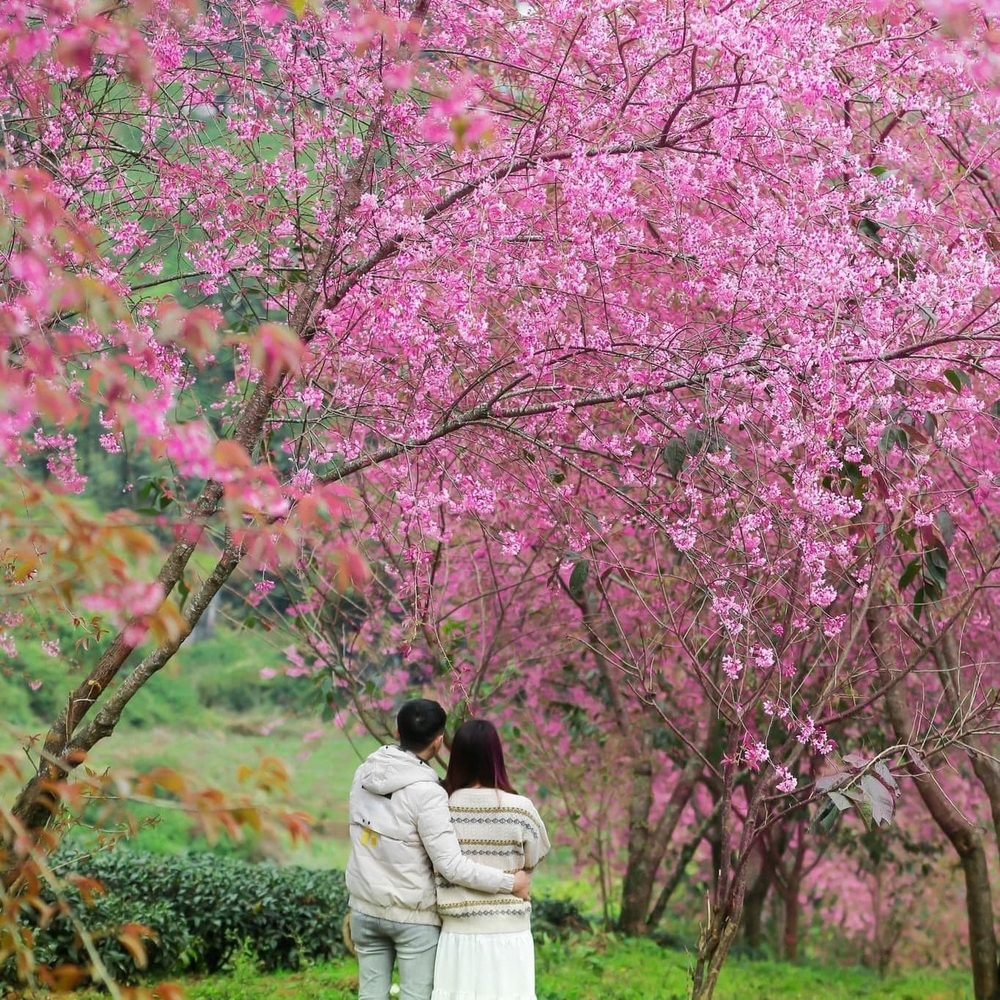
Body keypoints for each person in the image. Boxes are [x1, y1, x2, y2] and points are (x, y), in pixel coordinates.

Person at [346, 699, 531, 1000]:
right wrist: (511, 882)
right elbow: (451, 865)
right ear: (437, 742)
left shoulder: (363, 775)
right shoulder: (428, 793)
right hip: (412, 916)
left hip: (364, 909)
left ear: (397, 730)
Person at [431, 719, 550, 1000]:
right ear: (496, 755)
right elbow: (536, 855)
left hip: (458, 934)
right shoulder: (520, 809)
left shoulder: (442, 807)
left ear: (456, 756)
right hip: (509, 933)